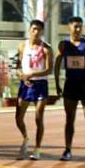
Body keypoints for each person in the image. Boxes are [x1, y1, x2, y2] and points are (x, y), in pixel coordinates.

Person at [54, 16, 85, 162]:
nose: (78, 29)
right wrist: (57, 83)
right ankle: (67, 149)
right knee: (69, 118)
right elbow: (57, 63)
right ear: (69, 27)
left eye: (80, 26)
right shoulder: (64, 44)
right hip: (70, 84)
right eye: (75, 26)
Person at [15, 19, 53, 160]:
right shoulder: (22, 46)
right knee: (19, 117)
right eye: (34, 29)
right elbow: (18, 66)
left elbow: (48, 69)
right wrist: (22, 76)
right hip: (25, 85)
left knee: (38, 116)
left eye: (39, 30)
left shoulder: (46, 48)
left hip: (40, 85)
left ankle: (37, 148)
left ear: (42, 32)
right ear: (29, 30)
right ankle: (25, 137)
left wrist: (33, 74)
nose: (36, 32)